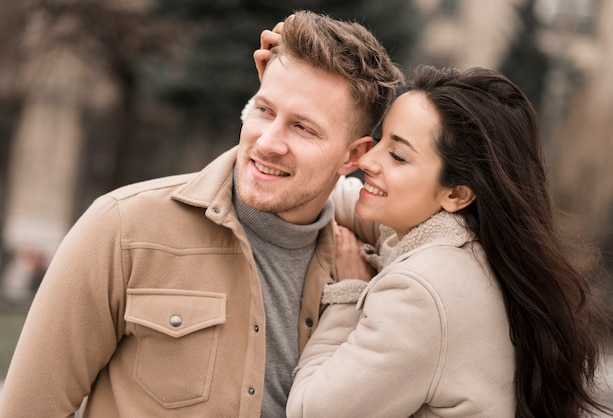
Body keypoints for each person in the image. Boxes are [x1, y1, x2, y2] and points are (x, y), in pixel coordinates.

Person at [0, 10, 403, 417]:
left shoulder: (368, 264)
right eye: (264, 110)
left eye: (303, 128)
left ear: (354, 156)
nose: (267, 142)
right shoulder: (122, 228)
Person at [286, 64, 613, 417]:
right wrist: (284, 110)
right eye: (381, 138)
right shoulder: (470, 246)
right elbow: (344, 201)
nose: (367, 159)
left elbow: (310, 411)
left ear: (458, 194)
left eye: (397, 155)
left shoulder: (421, 291)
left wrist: (349, 291)